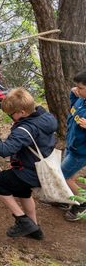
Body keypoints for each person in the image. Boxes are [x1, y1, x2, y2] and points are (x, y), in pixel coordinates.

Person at [0, 88, 57, 240]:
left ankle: (22, 220)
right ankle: (35, 229)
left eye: (11, 115)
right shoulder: (45, 116)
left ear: (22, 112)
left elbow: (5, 150)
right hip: (39, 167)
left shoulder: (24, 129)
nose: (11, 118)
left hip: (28, 171)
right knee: (23, 193)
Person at [60, 70, 86, 221]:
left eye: (80, 88)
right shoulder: (81, 100)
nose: (77, 89)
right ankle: (66, 197)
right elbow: (73, 108)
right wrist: (73, 93)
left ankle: (83, 203)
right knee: (68, 175)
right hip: (71, 143)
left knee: (63, 176)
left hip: (80, 152)